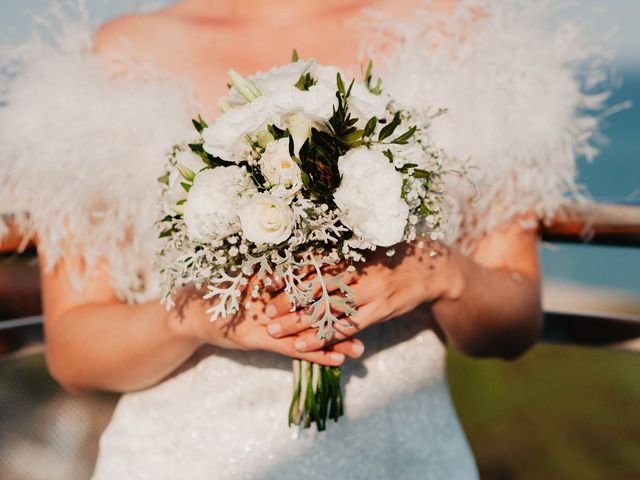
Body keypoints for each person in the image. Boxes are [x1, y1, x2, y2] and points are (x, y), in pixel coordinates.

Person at [0, 0, 613, 478]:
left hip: (401, 461)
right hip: (182, 462)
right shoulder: (115, 57)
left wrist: (436, 272)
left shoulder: (462, 39)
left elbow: (513, 322)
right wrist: (196, 319)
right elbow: (76, 349)